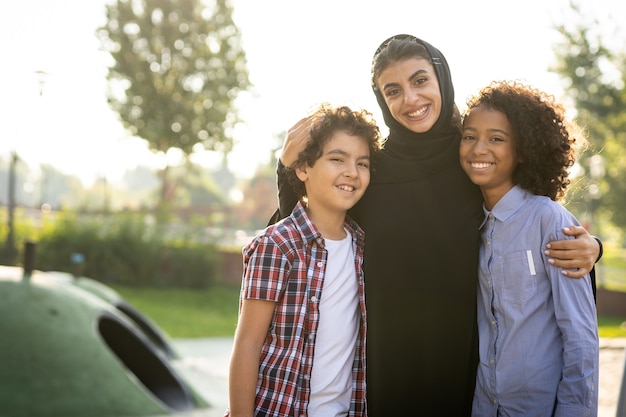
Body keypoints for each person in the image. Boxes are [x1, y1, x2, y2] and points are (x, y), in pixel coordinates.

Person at [272, 35, 601, 415]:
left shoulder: (476, 161)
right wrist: (286, 171)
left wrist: (592, 246)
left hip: (466, 376)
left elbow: (529, 222)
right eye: (393, 90)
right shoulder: (370, 172)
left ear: (441, 78)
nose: (410, 99)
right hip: (383, 371)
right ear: (382, 100)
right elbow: (304, 240)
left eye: (420, 80)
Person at [227, 103, 382, 416]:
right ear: (303, 168)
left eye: (362, 163)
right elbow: (247, 346)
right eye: (337, 159)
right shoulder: (277, 245)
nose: (352, 171)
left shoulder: (364, 247)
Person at [459, 80, 599, 416]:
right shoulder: (470, 226)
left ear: (522, 150)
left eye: (496, 138)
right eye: (469, 136)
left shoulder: (548, 219)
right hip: (484, 405)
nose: (479, 148)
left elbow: (580, 338)